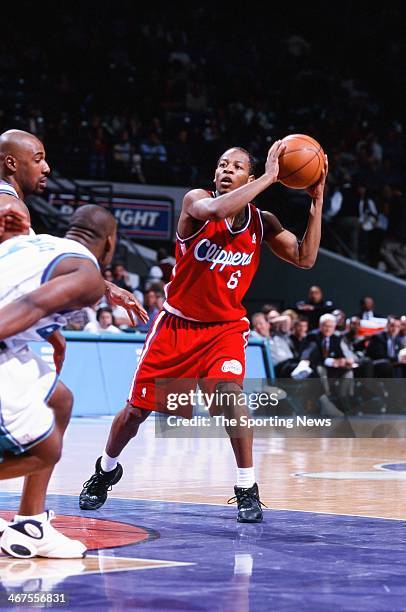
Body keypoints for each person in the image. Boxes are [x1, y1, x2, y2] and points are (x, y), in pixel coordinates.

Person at [79, 142, 328, 523]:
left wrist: (317, 198)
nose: (228, 170)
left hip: (224, 329)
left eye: (238, 166)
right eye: (222, 165)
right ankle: (106, 469)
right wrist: (269, 177)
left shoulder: (263, 222)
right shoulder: (197, 202)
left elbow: (306, 258)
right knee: (135, 414)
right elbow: (216, 209)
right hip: (176, 326)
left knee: (231, 396)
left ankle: (247, 486)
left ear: (248, 175)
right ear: (215, 175)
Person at [0, 205, 118, 559]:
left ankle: (30, 523)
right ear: (110, 245)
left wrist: (53, 338)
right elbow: (32, 304)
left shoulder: (33, 243)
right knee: (45, 450)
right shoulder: (86, 275)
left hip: (14, 344)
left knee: (60, 400)